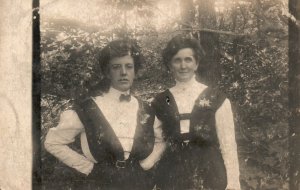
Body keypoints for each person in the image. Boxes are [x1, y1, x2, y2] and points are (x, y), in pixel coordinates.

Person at [44, 39, 155, 189]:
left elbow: (163, 138)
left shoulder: (144, 108)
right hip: (102, 184)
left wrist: (148, 163)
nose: (123, 72)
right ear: (107, 72)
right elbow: (52, 142)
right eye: (116, 67)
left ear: (135, 71)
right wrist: (89, 168)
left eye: (129, 66)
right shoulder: (89, 108)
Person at [141, 34, 241, 190]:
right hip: (172, 177)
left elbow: (228, 145)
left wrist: (233, 184)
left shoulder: (216, 99)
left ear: (196, 63)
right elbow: (160, 141)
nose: (183, 66)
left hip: (210, 177)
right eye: (177, 60)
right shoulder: (163, 101)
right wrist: (141, 165)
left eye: (188, 59)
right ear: (170, 64)